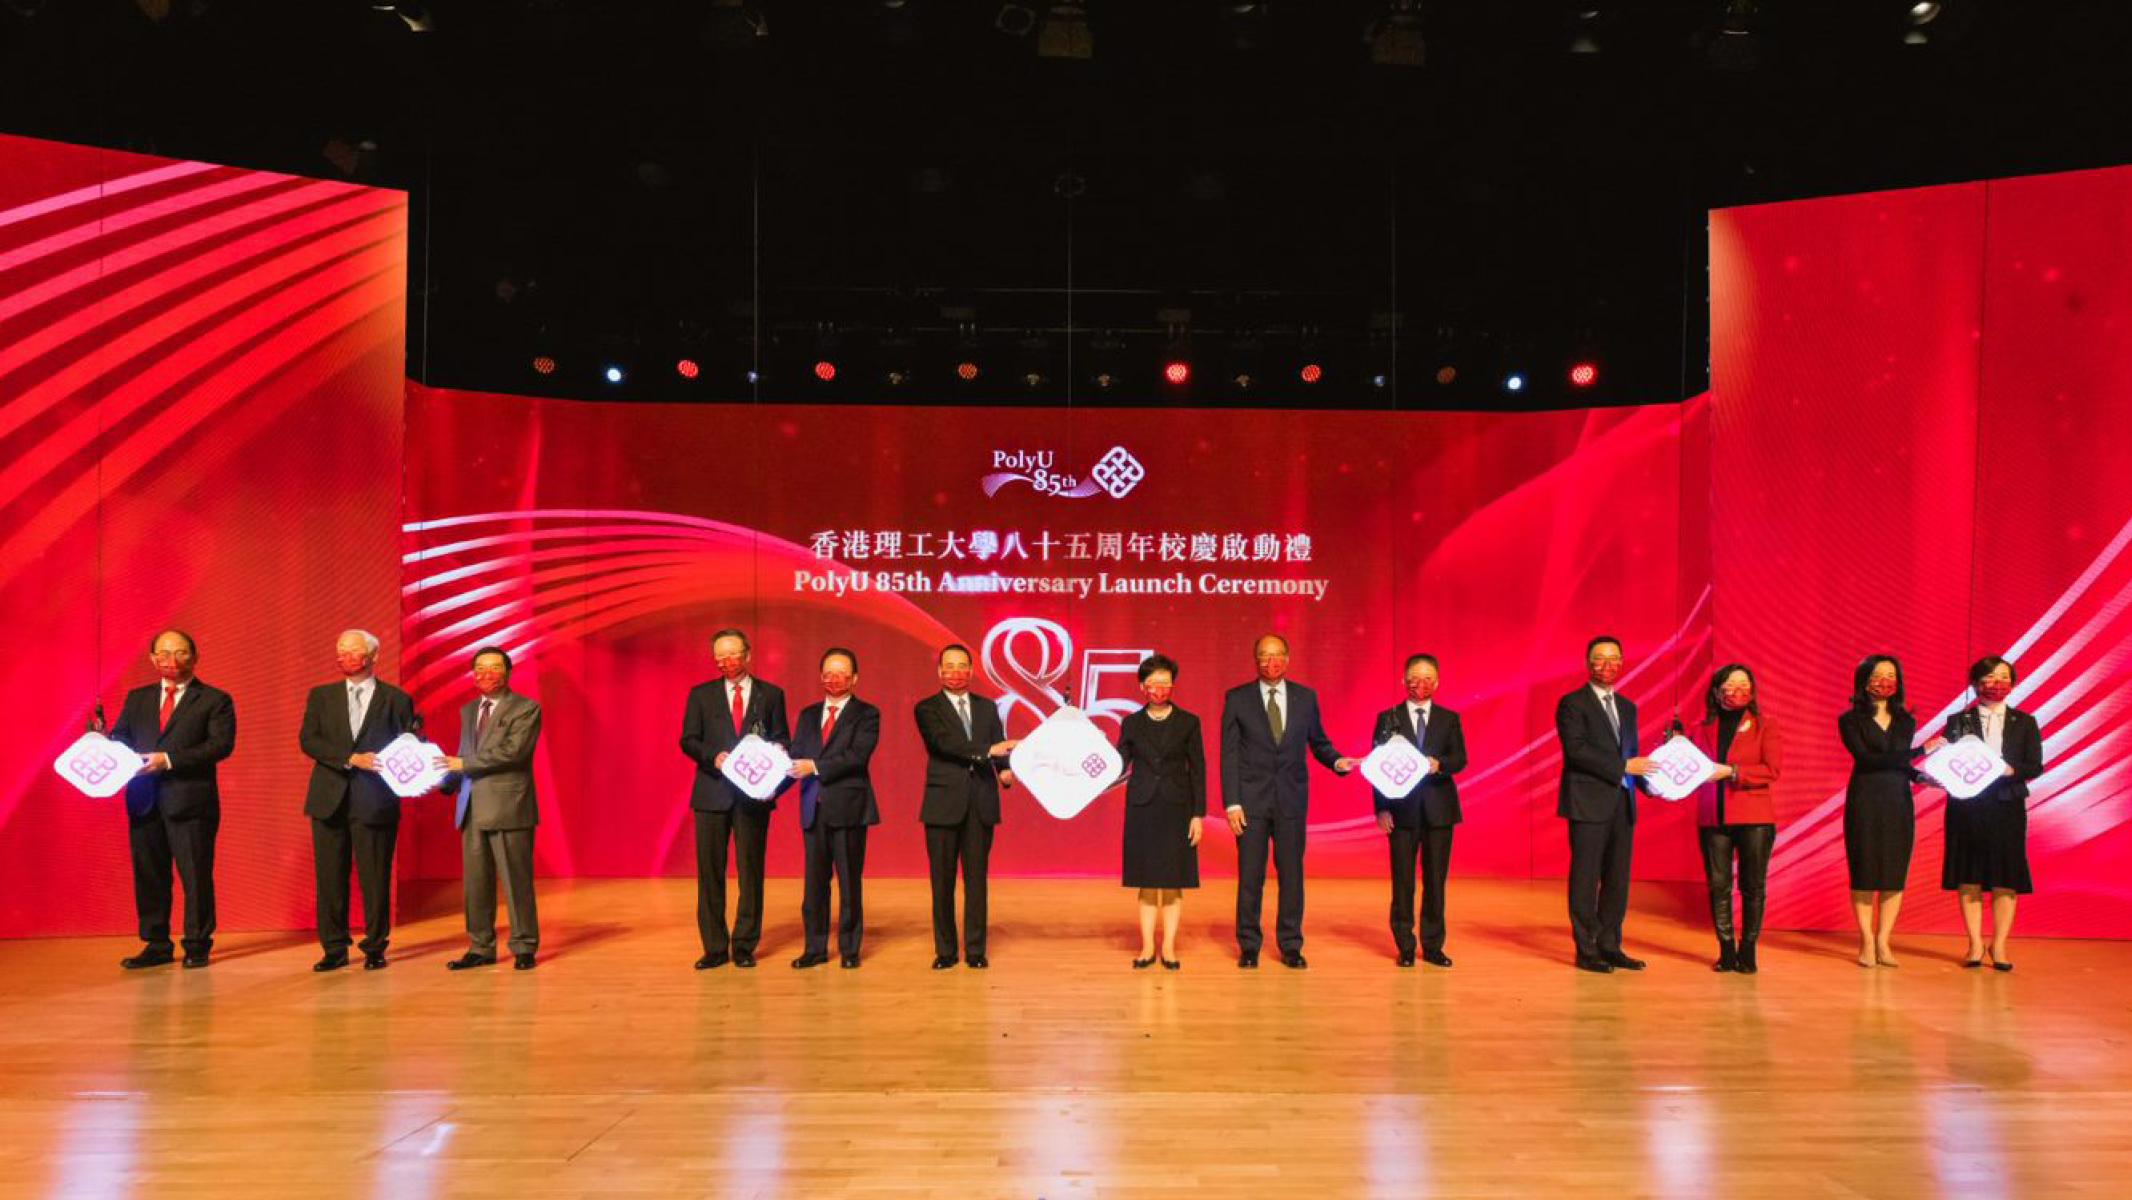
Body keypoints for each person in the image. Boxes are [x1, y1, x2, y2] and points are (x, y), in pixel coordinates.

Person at [1219, 634, 1357, 969]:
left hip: (1291, 802)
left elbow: (1319, 743)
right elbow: (1229, 754)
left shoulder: (1306, 698)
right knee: (1250, 876)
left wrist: (1337, 761)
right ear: (1255, 659)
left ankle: (1291, 945)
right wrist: (1232, 803)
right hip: (1250, 804)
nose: (1271, 662)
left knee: (1292, 875)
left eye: (1277, 655)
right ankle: (1249, 945)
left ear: (1288, 658)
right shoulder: (1237, 698)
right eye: (1264, 656)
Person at [108, 629, 237, 970]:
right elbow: (121, 736)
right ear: (152, 659)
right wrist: (107, 744)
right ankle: (156, 942)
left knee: (195, 875)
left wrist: (167, 759)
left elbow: (219, 746)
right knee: (150, 874)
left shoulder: (215, 700)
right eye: (163, 654)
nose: (171, 660)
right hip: (143, 798)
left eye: (180, 653)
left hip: (190, 802)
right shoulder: (137, 698)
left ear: (194, 657)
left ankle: (197, 943)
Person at [296, 629, 416, 972]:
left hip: (375, 799)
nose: (344, 656)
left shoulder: (396, 699)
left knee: (374, 878)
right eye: (340, 650)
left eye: (352, 650)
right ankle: (334, 947)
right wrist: (350, 757)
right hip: (328, 798)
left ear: (372, 656)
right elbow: (309, 740)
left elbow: (409, 742)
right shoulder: (321, 696)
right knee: (330, 878)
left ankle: (375, 946)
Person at [678, 628, 791, 970]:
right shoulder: (701, 695)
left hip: (753, 796)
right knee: (710, 873)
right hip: (712, 793)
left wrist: (775, 754)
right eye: (720, 657)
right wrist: (715, 757)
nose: (727, 662)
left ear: (748, 654)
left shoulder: (770, 695)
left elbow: (783, 737)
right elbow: (688, 740)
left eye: (733, 654)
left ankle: (744, 944)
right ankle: (714, 946)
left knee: (750, 872)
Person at [1926, 655, 2044, 972]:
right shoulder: (1958, 721)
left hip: (2007, 805)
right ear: (1976, 682)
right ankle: (1975, 943)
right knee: (1970, 876)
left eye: (2004, 677)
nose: (1997, 683)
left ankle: (2000, 944)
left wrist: (2010, 770)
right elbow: (1946, 761)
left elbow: (2036, 765)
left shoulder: (2026, 722)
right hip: (1967, 805)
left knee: (2006, 878)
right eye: (1990, 677)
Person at [439, 646, 543, 971]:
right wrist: (445, 780)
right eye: (480, 668)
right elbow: (464, 752)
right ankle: (480, 946)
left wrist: (462, 763)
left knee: (516, 881)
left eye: (495, 667)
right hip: (471, 806)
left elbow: (513, 752)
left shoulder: (526, 708)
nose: (487, 673)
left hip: (509, 806)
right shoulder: (469, 710)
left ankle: (524, 946)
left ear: (508, 672)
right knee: (476, 884)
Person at [914, 643, 1017, 969]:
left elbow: (1000, 750)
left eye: (962, 666)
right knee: (941, 882)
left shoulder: (988, 708)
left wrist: (1006, 771)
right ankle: (945, 952)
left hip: (980, 803)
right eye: (949, 666)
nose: (956, 672)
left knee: (976, 881)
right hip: (943, 803)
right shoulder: (926, 708)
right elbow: (945, 744)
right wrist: (991, 750)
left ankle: (975, 951)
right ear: (939, 671)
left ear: (972, 671)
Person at [1556, 635, 1654, 974]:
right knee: (1585, 878)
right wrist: (1624, 768)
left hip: (1622, 804)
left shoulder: (1628, 707)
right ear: (1588, 663)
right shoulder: (1572, 703)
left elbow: (1631, 756)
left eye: (1614, 658)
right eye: (1600, 658)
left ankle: (1610, 946)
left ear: (1623, 662)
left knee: (1617, 879)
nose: (1607, 665)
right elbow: (1576, 750)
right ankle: (1587, 950)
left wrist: (1651, 784)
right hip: (1587, 802)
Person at [1684, 663, 1783, 974]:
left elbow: (1772, 770)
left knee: (1753, 886)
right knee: (1718, 885)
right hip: (1714, 816)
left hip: (1755, 817)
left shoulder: (1766, 725)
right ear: (1717, 690)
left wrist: (1734, 772)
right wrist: (1674, 746)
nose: (1738, 689)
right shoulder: (1700, 729)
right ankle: (1726, 949)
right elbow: (1690, 769)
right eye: (1731, 683)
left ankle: (1748, 949)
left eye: (1745, 684)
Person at [1370, 653, 1467, 968]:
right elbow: (1376, 767)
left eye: (1427, 678)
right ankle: (1406, 945)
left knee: (1436, 881)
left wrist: (1440, 765)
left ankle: (1433, 945)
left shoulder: (1450, 719)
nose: (1420, 683)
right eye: (1414, 677)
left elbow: (1460, 759)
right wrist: (1381, 809)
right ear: (1403, 680)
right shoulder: (1388, 717)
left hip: (1440, 810)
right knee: (1403, 881)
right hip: (1401, 811)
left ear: (1437, 682)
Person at [786, 647, 880, 970]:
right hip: (813, 808)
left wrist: (814, 766)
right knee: (814, 884)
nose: (834, 678)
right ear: (820, 676)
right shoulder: (809, 714)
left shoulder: (867, 714)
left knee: (849, 882)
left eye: (841, 673)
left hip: (849, 807)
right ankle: (815, 948)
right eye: (828, 672)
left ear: (855, 678)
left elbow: (856, 757)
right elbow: (796, 754)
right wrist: (767, 777)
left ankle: (850, 949)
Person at [1115, 654, 1207, 970]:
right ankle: (1146, 947)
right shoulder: (1130, 723)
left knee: (1172, 881)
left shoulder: (1189, 722)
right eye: (1153, 682)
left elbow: (1198, 771)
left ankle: (1168, 946)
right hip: (1142, 807)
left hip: (1177, 808)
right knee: (1146, 880)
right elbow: (1117, 764)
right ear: (1142, 686)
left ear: (1172, 685)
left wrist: (1198, 815)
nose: (1159, 688)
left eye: (1165, 683)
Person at [1838, 654, 1923, 969]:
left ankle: (1884, 941)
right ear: (1864, 680)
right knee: (1864, 872)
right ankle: (1866, 940)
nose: (1885, 680)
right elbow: (1868, 760)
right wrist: (1921, 752)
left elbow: (1898, 760)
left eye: (1891, 675)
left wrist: (1919, 775)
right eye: (1878, 675)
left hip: (1898, 800)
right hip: (1865, 799)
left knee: (1893, 876)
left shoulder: (1906, 720)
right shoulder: (1850, 720)